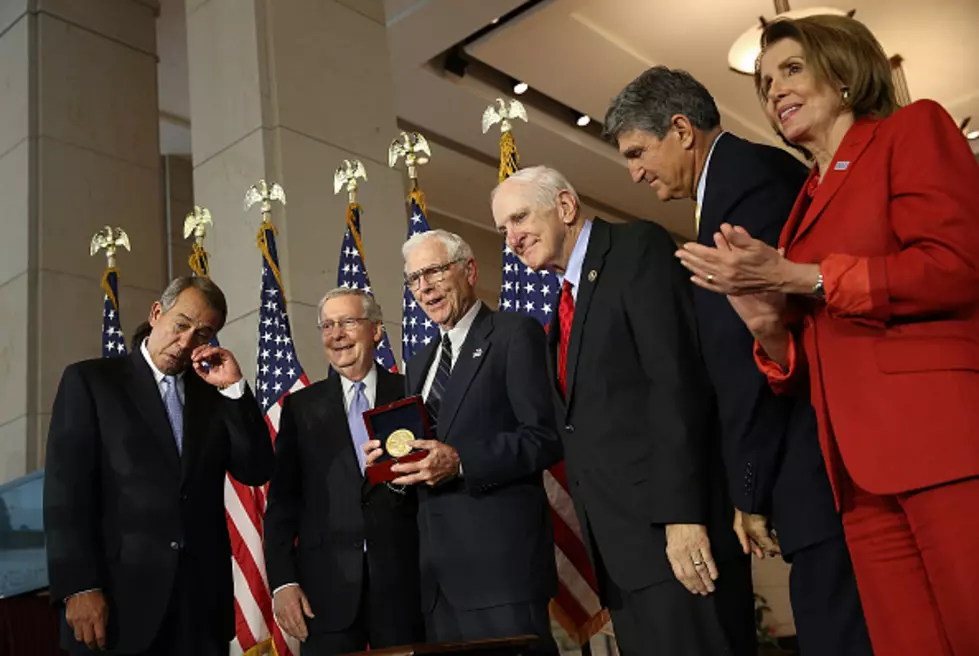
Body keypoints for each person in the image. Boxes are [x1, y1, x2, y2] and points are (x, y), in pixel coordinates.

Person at [675, 15, 979, 656]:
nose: (773, 90)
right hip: (856, 478)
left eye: (791, 69)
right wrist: (769, 333)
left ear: (842, 72)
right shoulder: (806, 200)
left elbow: (958, 267)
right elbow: (815, 352)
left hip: (941, 448)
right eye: (763, 83)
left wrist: (800, 275)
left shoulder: (911, 129)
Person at [603, 67, 871, 654]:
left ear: (682, 129)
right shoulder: (738, 180)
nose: (634, 172)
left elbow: (748, 348)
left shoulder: (744, 185)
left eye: (639, 152)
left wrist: (746, 490)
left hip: (815, 463)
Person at [491, 166, 754, 656]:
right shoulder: (563, 306)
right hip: (621, 554)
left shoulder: (637, 250)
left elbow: (677, 385)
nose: (511, 238)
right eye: (503, 228)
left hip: (675, 541)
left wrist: (683, 518)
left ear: (565, 207)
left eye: (520, 218)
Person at [43, 276, 273, 655]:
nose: (185, 342)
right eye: (181, 324)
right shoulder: (91, 382)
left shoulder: (216, 396)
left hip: (198, 612)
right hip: (116, 607)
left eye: (202, 334)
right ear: (156, 314)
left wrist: (234, 390)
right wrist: (78, 586)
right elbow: (65, 495)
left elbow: (256, 468)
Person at [364, 230, 562, 654]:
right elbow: (426, 455)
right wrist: (395, 468)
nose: (425, 287)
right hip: (438, 578)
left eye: (434, 271)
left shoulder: (513, 334)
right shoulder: (419, 363)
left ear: (469, 270)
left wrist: (462, 462)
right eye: (414, 279)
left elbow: (545, 438)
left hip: (501, 571)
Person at [264, 288, 423, 654]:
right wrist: (283, 583)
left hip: (404, 587)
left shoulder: (411, 393)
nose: (336, 334)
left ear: (377, 331)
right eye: (328, 325)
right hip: (326, 593)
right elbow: (282, 505)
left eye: (348, 322)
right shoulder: (300, 408)